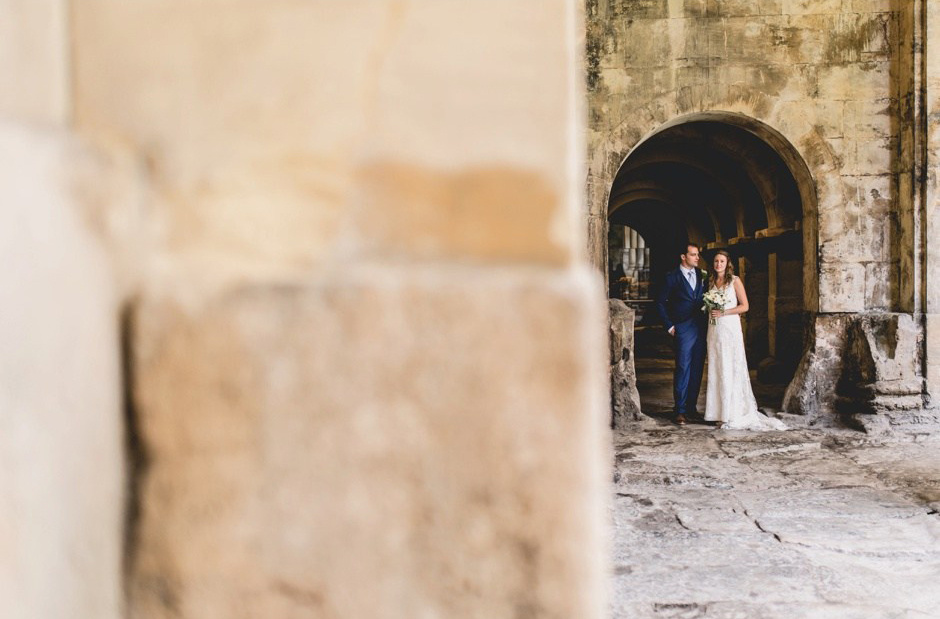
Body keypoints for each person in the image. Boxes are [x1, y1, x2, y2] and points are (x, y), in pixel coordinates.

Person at [704, 250, 787, 431]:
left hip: (729, 328)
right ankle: (718, 412)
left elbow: (745, 306)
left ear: (728, 263)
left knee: (730, 366)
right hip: (714, 329)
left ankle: (732, 412)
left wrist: (723, 312)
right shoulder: (711, 281)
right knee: (717, 367)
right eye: (716, 261)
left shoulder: (734, 281)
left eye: (722, 261)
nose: (719, 264)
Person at [654, 243, 707, 425]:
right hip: (682, 327)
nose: (697, 258)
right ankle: (680, 410)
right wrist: (669, 326)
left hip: (700, 327)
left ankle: (692, 408)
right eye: (693, 255)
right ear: (683, 257)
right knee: (683, 367)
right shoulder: (671, 277)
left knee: (697, 368)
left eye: (697, 255)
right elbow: (660, 302)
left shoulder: (701, 275)